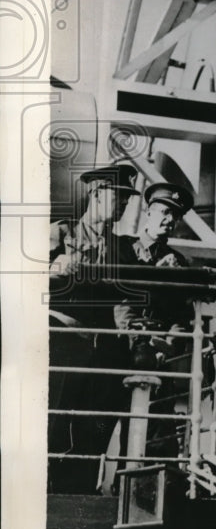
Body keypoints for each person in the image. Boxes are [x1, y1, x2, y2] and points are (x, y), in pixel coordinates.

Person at [48, 163, 140, 493]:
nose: (126, 205)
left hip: (106, 354)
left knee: (94, 432)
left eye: (128, 200)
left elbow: (133, 300)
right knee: (55, 425)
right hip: (64, 346)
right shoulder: (61, 233)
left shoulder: (123, 248)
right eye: (121, 197)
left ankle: (81, 496)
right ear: (97, 193)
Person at [114, 181, 194, 371]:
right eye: (165, 212)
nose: (170, 220)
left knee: (161, 400)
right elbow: (121, 300)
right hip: (123, 342)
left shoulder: (179, 262)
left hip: (160, 350)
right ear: (148, 212)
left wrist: (169, 346)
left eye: (176, 215)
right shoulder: (122, 248)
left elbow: (181, 314)